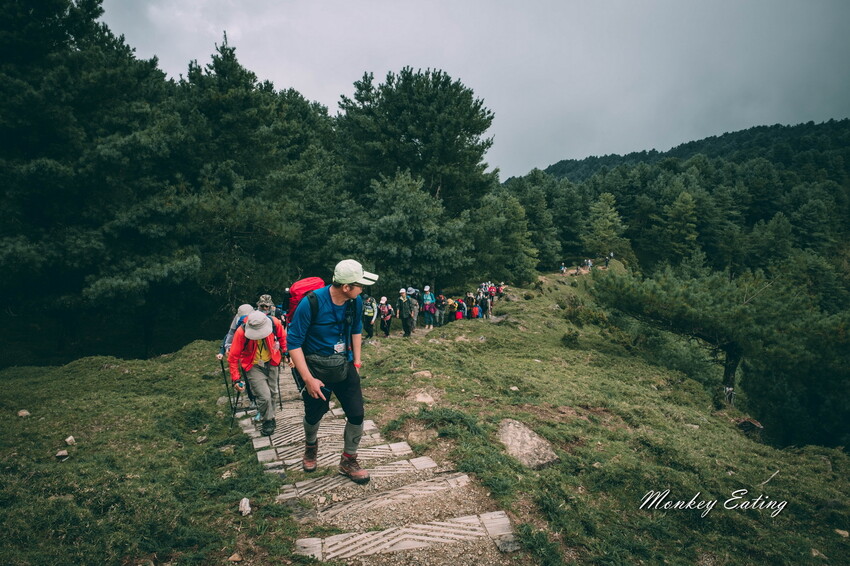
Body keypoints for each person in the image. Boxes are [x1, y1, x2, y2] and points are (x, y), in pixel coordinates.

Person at [287, 259, 378, 484]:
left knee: (357, 413)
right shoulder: (311, 303)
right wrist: (308, 379)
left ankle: (348, 460)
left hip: (344, 365)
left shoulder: (355, 302)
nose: (362, 289)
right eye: (359, 285)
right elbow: (294, 342)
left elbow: (356, 328)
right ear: (346, 287)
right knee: (314, 414)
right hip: (316, 369)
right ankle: (310, 446)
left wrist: (356, 360)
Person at [228, 310, 286, 436]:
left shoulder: (274, 323)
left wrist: (286, 352)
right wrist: (236, 379)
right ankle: (268, 420)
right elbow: (233, 357)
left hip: (272, 361)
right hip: (253, 366)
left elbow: (283, 338)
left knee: (273, 392)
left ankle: (271, 415)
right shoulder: (241, 332)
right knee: (264, 396)